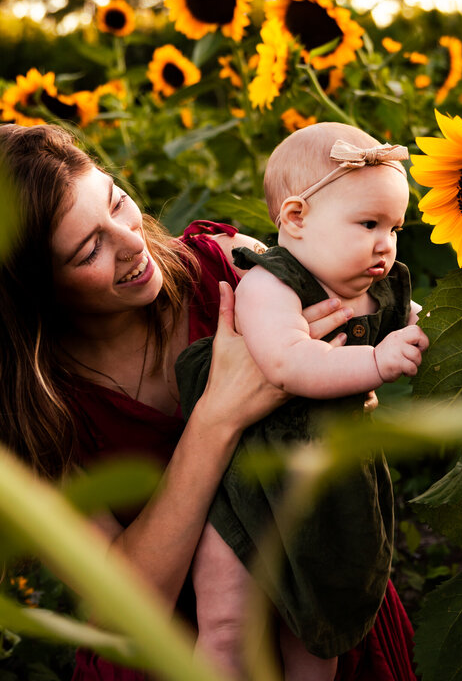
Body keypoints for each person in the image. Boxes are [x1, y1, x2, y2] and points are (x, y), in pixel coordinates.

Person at [0, 123, 443, 680]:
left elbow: (374, 334)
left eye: (117, 204)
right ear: (29, 293)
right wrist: (219, 415)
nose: (132, 244)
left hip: (319, 595)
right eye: (88, 249)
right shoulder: (30, 408)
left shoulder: (231, 268)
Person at [174, 122, 427, 680]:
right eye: (368, 223)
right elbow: (286, 363)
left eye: (394, 227)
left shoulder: (381, 290)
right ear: (295, 218)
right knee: (226, 624)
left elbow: (429, 338)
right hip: (248, 486)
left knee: (319, 631)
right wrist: (378, 362)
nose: (385, 243)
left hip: (331, 486)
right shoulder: (271, 286)